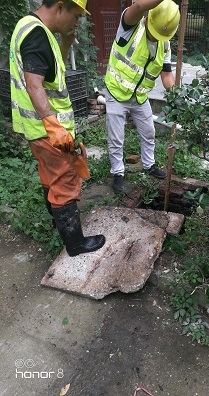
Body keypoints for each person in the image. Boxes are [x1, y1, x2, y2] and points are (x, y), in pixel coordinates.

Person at [9, 0, 106, 257]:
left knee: (50, 178)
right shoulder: (38, 35)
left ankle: (58, 226)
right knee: (64, 180)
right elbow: (34, 85)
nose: (77, 22)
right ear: (60, 7)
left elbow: (53, 73)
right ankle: (75, 244)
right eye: (76, 16)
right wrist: (55, 127)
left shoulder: (31, 28)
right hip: (48, 132)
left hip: (37, 131)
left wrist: (65, 42)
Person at [104, 0, 180, 193]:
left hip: (139, 96)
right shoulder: (130, 27)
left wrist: (176, 96)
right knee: (116, 138)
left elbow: (166, 75)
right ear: (149, 18)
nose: (156, 38)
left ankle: (149, 165)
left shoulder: (165, 44)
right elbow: (137, 7)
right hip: (116, 92)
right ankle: (118, 173)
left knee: (149, 133)